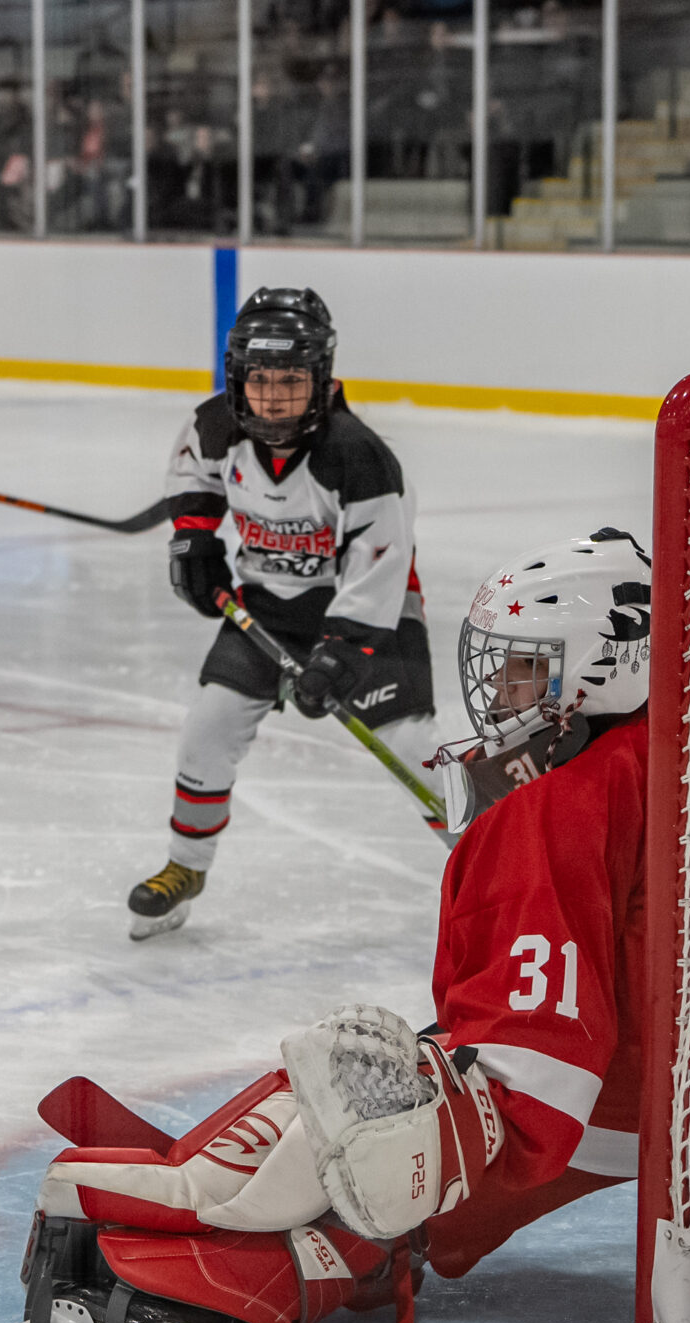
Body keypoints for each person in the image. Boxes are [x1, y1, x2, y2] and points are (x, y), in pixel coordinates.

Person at [11, 533, 690, 1323]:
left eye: (524, 666)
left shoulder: (551, 811)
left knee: (349, 1120)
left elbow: (540, 1067)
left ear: (602, 664)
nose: (497, 688)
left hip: (614, 1109)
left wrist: (409, 1172)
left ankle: (236, 1268)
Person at [124, 286, 434, 940]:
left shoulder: (360, 456)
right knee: (206, 732)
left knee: (414, 749)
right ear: (238, 379)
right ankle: (186, 865)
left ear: (323, 380)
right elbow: (192, 476)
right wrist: (195, 538)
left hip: (366, 619)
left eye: (290, 382)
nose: (272, 398)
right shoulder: (216, 424)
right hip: (264, 607)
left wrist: (342, 653)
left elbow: (380, 567)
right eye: (260, 381)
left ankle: (500, 873)